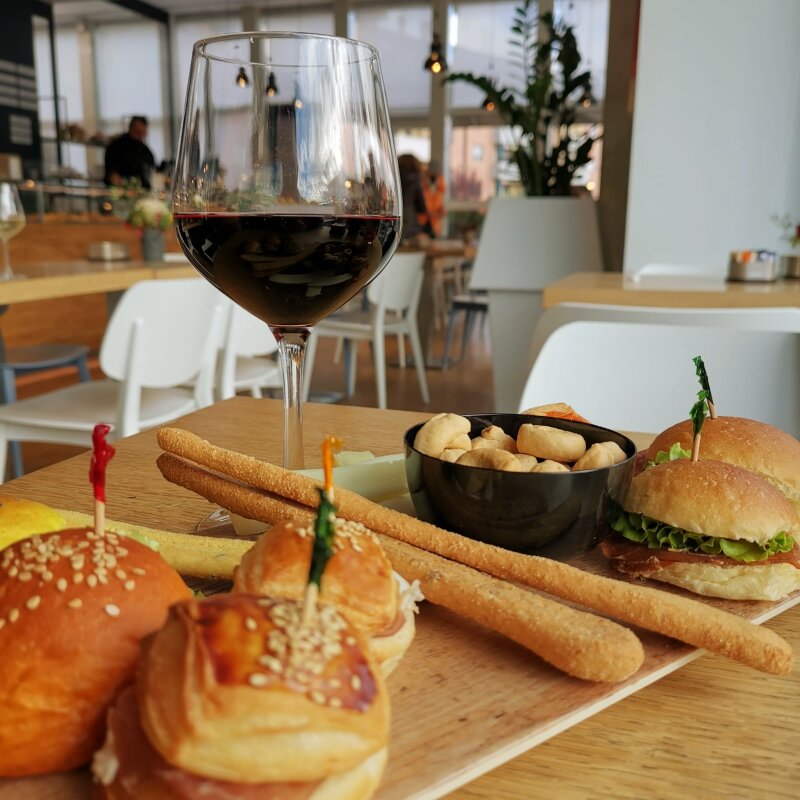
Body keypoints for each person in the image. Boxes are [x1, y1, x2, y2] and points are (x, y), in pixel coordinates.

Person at [104, 116, 156, 189]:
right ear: (131, 129)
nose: (140, 137)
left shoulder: (145, 150)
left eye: (143, 134)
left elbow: (152, 171)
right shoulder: (116, 147)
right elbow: (113, 176)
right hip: (122, 191)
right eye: (138, 133)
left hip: (144, 191)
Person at [397, 153, 428, 244]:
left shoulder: (396, 176)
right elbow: (421, 206)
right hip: (411, 219)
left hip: (396, 215)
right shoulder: (416, 179)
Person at [420, 159, 446, 238]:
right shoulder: (420, 183)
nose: (435, 174)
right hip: (421, 224)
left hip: (434, 225)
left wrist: (442, 210)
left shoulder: (440, 184)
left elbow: (439, 203)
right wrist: (427, 213)